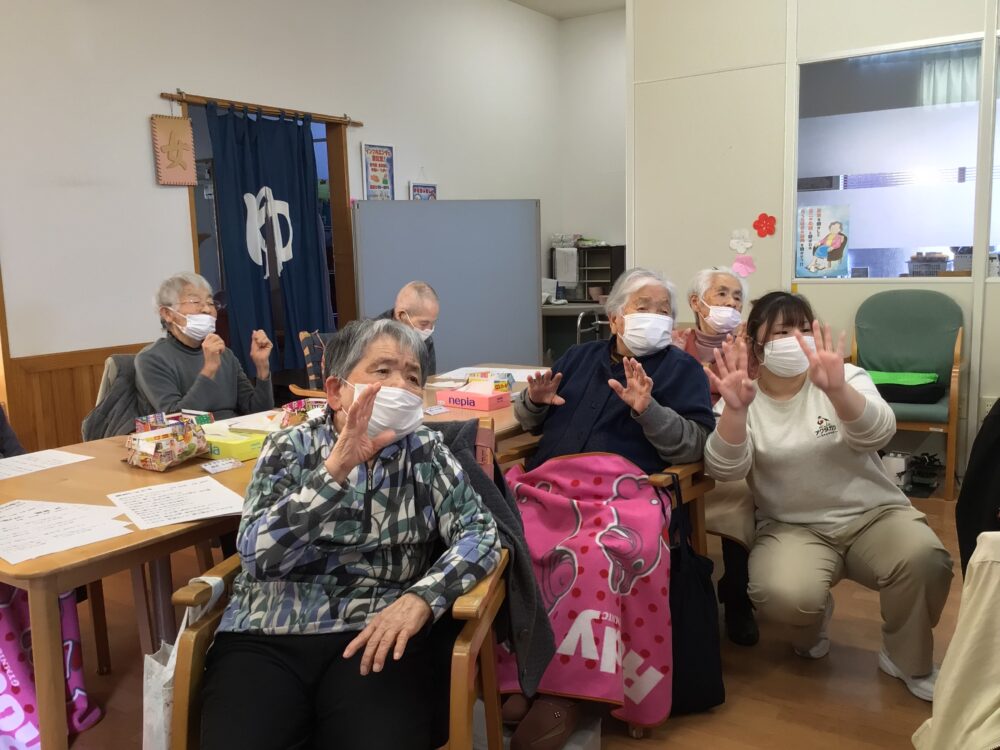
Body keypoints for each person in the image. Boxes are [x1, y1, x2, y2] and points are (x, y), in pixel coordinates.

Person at [199, 318, 501, 750]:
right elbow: (256, 558)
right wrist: (334, 471)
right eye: (383, 371)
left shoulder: (425, 451)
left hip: (376, 629)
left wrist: (421, 598)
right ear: (337, 391)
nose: (401, 385)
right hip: (268, 631)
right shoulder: (289, 449)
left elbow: (481, 533)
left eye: (413, 376)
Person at [500, 267, 716, 745]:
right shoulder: (578, 358)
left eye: (665, 311)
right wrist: (533, 404)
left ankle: (572, 694)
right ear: (615, 318)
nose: (655, 318)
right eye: (644, 307)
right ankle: (523, 674)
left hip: (624, 491)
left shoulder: (682, 371)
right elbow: (530, 415)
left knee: (594, 554)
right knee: (509, 539)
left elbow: (695, 445)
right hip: (550, 487)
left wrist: (648, 410)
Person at [704, 291, 953, 701]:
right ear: (756, 346)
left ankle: (905, 657)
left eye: (803, 328)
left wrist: (838, 391)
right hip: (792, 526)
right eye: (782, 331)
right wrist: (734, 411)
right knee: (782, 594)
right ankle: (813, 617)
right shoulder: (742, 393)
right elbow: (725, 469)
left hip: (873, 514)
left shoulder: (844, 376)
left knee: (925, 559)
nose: (796, 339)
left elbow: (879, 434)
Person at [675, 267, 758, 646]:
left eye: (737, 297)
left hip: (734, 445)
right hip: (686, 444)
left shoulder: (752, 349)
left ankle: (737, 596)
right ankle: (683, 589)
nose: (731, 303)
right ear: (696, 302)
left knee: (742, 492)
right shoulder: (675, 344)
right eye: (721, 294)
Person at [135, 272, 274, 419]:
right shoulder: (151, 359)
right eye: (195, 302)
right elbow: (176, 421)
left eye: (210, 303)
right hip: (193, 440)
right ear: (168, 314)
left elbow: (259, 413)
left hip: (235, 435)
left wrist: (262, 366)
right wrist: (209, 370)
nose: (207, 309)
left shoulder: (225, 354)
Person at [378, 281, 440, 375]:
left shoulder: (426, 341)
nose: (429, 330)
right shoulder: (372, 339)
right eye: (423, 323)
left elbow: (428, 381)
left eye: (433, 323)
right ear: (401, 315)